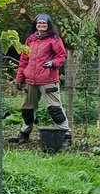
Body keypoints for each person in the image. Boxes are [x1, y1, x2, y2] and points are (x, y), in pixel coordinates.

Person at [10, 13, 71, 145]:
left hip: (48, 80)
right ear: (35, 25)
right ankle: (24, 134)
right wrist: (19, 78)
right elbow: (24, 60)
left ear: (48, 25)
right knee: (27, 109)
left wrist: (53, 63)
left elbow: (61, 55)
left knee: (54, 109)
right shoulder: (30, 40)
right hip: (30, 81)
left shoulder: (54, 39)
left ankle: (66, 135)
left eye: (44, 23)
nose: (42, 25)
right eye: (39, 23)